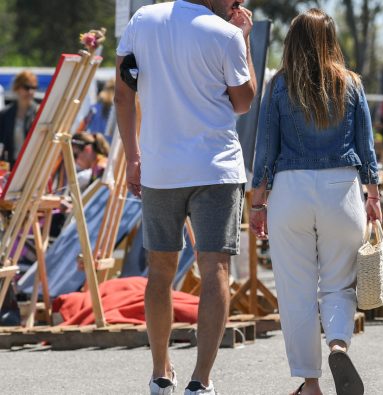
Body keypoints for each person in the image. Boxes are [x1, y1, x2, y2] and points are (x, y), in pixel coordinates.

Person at [115, 1, 257, 394]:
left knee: (159, 271)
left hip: (161, 167)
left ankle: (161, 374)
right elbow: (243, 102)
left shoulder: (142, 20)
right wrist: (244, 40)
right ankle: (201, 381)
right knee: (215, 270)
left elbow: (122, 97)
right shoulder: (226, 33)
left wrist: (133, 158)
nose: (238, 6)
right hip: (215, 167)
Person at [248, 8, 379, 395]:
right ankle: (338, 341)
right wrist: (373, 196)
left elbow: (265, 148)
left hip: (291, 190)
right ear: (331, 39)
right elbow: (366, 146)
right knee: (339, 282)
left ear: (292, 41)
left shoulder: (278, 86)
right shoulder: (351, 84)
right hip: (343, 189)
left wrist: (258, 202)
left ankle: (310, 384)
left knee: (296, 289)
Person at [0, 70, 39, 166]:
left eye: (33, 88)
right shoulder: (5, 114)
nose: (30, 92)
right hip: (11, 165)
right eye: (27, 87)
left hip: (33, 164)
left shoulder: (39, 113)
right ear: (17, 88)